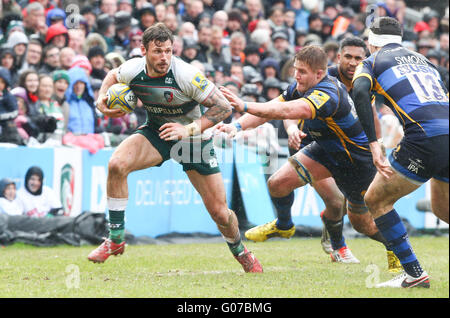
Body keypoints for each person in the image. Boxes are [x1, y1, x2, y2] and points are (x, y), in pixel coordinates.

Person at [89, 23, 263, 273]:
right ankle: (115, 239)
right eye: (158, 51)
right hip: (158, 131)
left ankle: (241, 251)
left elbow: (224, 107)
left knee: (220, 213)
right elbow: (113, 76)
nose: (164, 57)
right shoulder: (133, 68)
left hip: (193, 139)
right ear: (143, 51)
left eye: (168, 51)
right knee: (117, 164)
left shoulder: (185, 74)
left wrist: (189, 129)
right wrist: (101, 99)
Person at [218, 45, 396, 266]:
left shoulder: (329, 93)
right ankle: (285, 225)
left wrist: (244, 105)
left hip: (355, 162)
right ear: (338, 58)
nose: (296, 75)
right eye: (296, 70)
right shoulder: (308, 83)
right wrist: (236, 126)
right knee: (277, 184)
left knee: (362, 224)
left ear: (318, 74)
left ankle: (394, 248)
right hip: (325, 149)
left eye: (301, 71)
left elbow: (288, 111)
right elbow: (276, 107)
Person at [352, 17, 449, 288]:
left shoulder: (372, 61)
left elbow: (359, 92)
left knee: (376, 199)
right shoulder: (424, 60)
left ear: (371, 41)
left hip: (424, 138)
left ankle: (414, 274)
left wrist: (374, 143)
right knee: (444, 209)